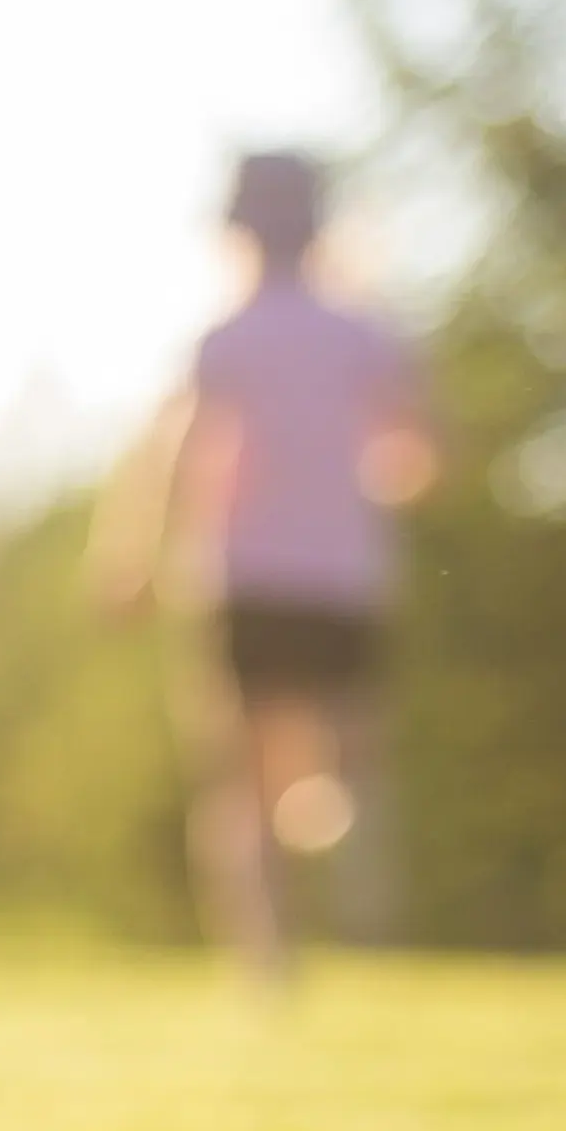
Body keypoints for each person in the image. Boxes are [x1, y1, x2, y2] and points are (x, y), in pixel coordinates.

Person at [92, 149, 440, 993]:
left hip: (244, 577)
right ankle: (332, 822)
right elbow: (423, 455)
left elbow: (177, 456)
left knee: (239, 780)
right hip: (344, 578)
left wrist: (134, 559)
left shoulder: (229, 337)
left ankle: (269, 960)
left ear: (238, 233)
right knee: (345, 755)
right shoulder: (366, 333)